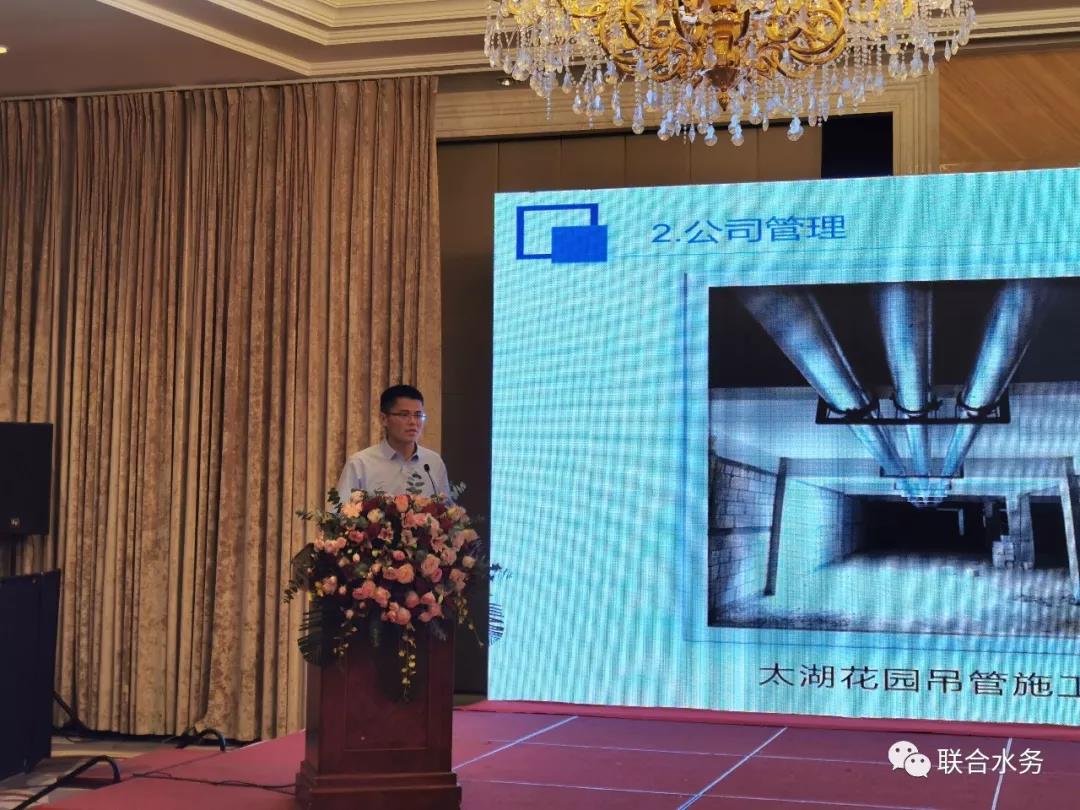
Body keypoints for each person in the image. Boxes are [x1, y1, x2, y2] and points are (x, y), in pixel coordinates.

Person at [335, 384, 451, 500]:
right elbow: (341, 509)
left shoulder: (433, 462)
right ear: (384, 419)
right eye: (404, 415)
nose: (413, 422)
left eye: (418, 415)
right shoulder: (360, 464)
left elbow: (445, 507)